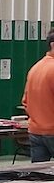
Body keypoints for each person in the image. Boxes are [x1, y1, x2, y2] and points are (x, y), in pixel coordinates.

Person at [22, 29, 54, 162]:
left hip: (36, 132)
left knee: (39, 172)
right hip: (52, 131)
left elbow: (25, 101)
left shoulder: (35, 68)